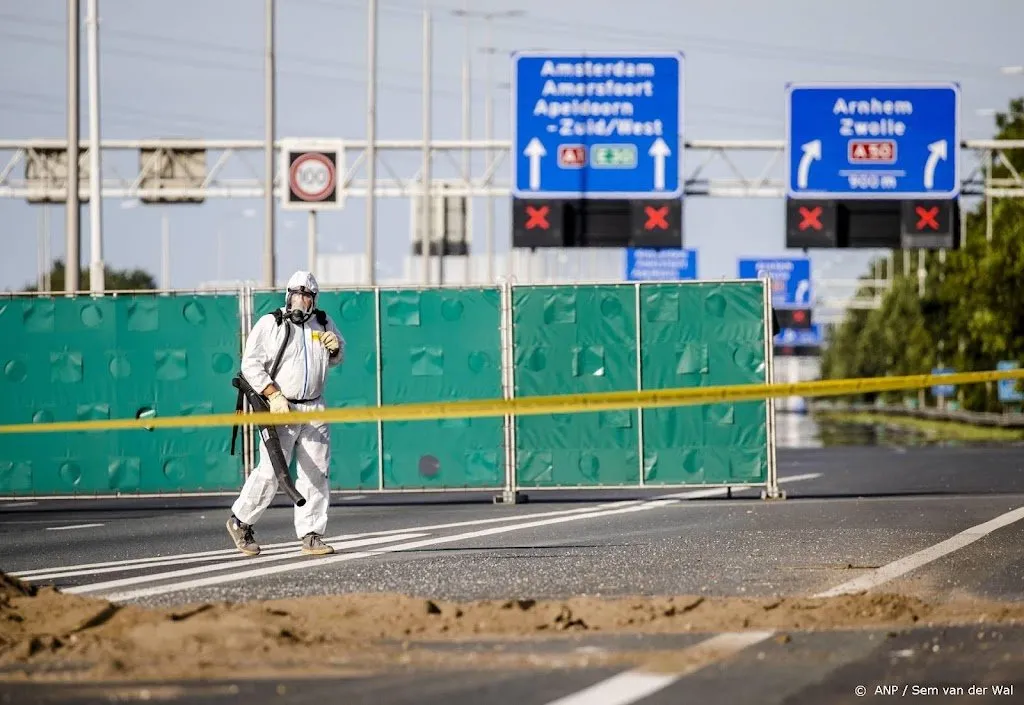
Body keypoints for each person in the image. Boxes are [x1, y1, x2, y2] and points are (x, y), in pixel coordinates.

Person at [225, 270, 345, 557]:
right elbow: (250, 364)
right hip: (281, 407)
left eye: (306, 295)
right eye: (296, 294)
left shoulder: (324, 322)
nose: (300, 300)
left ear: (313, 299)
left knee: (316, 473)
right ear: (288, 295)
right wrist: (273, 394)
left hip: (314, 407)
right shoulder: (271, 324)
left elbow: (338, 357)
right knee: (270, 471)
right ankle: (241, 521)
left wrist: (336, 348)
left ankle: (312, 534)